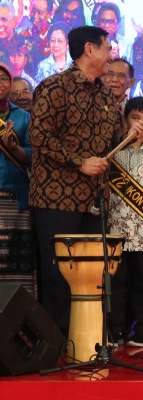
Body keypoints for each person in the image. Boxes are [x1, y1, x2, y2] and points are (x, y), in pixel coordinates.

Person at [29, 26, 143, 336]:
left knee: (92, 274)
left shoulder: (103, 93)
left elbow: (110, 139)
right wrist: (79, 162)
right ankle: (55, 343)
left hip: (94, 201)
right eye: (108, 48)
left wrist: (131, 134)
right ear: (89, 49)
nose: (112, 54)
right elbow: (39, 135)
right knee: (58, 275)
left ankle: (86, 340)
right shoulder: (55, 86)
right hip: (56, 200)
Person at [108, 97, 143, 347]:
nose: (141, 124)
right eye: (135, 118)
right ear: (125, 119)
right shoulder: (112, 151)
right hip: (115, 230)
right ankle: (116, 329)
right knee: (116, 283)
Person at [0, 63, 36, 297]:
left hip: (17, 201)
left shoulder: (24, 118)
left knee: (17, 262)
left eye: (3, 79)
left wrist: (12, 148)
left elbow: (34, 156)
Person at [18, 0, 54, 77]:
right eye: (33, 10)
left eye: (40, 12)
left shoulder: (56, 37)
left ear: (49, 14)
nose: (35, 16)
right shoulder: (22, 34)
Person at [103, 58, 136, 123]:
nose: (114, 80)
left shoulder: (135, 112)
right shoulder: (93, 106)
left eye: (121, 76)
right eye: (110, 74)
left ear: (131, 82)